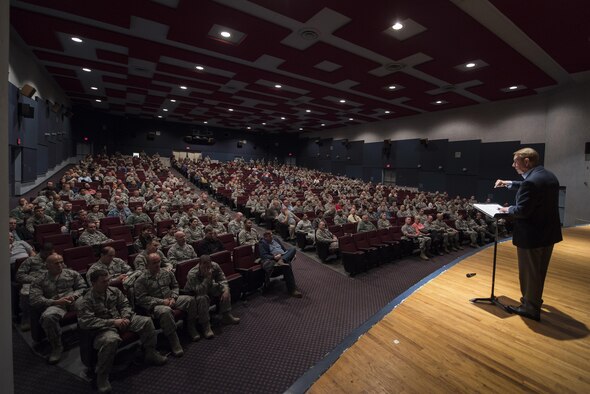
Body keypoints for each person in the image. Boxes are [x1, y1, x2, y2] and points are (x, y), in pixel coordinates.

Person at [495, 147, 562, 321]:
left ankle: (530, 308)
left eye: (515, 161)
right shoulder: (548, 176)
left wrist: (507, 209)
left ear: (526, 162)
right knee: (539, 272)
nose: (513, 165)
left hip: (531, 236)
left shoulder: (532, 182)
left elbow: (522, 210)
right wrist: (508, 182)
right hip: (548, 234)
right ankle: (534, 301)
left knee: (529, 273)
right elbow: (530, 186)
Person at [77, 269, 167, 393]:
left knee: (146, 321)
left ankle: (150, 352)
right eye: (103, 282)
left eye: (108, 280)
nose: (107, 283)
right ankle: (102, 376)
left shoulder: (114, 291)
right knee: (111, 340)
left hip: (122, 320)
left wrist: (125, 317)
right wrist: (113, 322)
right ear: (93, 283)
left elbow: (125, 305)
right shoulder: (85, 300)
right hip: (103, 328)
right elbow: (86, 322)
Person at [134, 253, 200, 357]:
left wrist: (173, 297)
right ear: (147, 265)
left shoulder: (166, 272)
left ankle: (191, 327)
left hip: (171, 299)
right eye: (154, 263)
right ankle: (174, 340)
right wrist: (162, 302)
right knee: (165, 311)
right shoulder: (141, 280)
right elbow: (142, 299)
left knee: (190, 300)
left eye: (159, 262)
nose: (157, 265)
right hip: (156, 306)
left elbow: (175, 286)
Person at [29, 253, 87, 364]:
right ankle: (57, 347)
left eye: (61, 262)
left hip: (72, 300)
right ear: (48, 265)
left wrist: (74, 295)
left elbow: (82, 287)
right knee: (48, 317)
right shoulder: (39, 280)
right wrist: (55, 301)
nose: (60, 265)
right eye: (56, 263)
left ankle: (88, 336)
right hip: (55, 304)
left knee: (88, 305)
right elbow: (35, 300)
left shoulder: (72, 273)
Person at [184, 254, 240, 339]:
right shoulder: (192, 273)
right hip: (193, 294)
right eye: (204, 266)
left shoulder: (215, 266)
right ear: (200, 264)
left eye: (209, 266)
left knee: (224, 289)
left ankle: (226, 315)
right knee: (202, 298)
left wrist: (226, 289)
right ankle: (206, 325)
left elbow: (222, 279)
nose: (207, 269)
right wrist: (207, 277)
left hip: (208, 287)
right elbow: (199, 291)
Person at [258, 231, 302, 298]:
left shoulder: (275, 239)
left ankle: (282, 260)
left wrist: (290, 254)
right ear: (265, 237)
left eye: (272, 235)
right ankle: (292, 290)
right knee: (286, 265)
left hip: (283, 256)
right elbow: (263, 255)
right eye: (270, 236)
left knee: (293, 249)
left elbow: (284, 249)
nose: (272, 237)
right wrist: (274, 257)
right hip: (275, 261)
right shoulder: (262, 243)